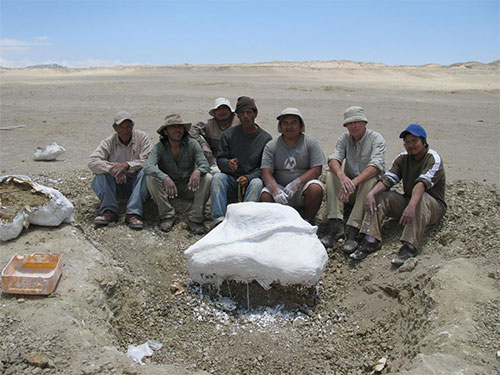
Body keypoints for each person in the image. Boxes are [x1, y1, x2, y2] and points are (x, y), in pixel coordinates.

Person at [352, 124, 446, 266]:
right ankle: (371, 239)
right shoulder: (403, 158)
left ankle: (409, 246)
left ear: (423, 141)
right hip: (409, 201)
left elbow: (421, 184)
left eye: (414, 141)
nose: (410, 145)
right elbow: (389, 179)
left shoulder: (433, 159)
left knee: (421, 198)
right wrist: (371, 194)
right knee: (380, 196)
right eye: (407, 142)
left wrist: (412, 206)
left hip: (431, 207)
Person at [320, 106, 386, 254]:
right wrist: (342, 177)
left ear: (365, 123)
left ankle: (353, 230)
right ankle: (335, 225)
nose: (354, 126)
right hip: (350, 189)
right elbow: (333, 159)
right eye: (350, 123)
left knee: (370, 180)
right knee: (332, 174)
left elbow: (376, 166)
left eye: (357, 122)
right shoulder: (344, 139)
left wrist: (353, 182)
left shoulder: (376, 139)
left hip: (367, 191)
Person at [143, 113, 211, 234]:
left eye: (179, 127)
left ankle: (195, 218)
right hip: (169, 188)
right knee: (150, 178)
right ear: (166, 132)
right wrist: (164, 178)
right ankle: (167, 215)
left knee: (208, 178)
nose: (177, 130)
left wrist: (197, 171)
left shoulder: (192, 144)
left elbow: (204, 164)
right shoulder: (159, 147)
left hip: (189, 186)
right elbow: (148, 166)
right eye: (173, 127)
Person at [210, 96, 272, 227]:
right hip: (232, 178)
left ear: (255, 114)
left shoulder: (265, 138)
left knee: (257, 183)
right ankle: (218, 220)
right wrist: (228, 164)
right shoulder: (229, 134)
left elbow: (265, 167)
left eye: (249, 112)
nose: (246, 116)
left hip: (250, 180)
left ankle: (244, 219)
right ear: (237, 116)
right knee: (217, 178)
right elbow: (220, 159)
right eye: (242, 113)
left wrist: (249, 177)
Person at [260, 107, 325, 224]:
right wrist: (275, 190)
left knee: (315, 189)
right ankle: (277, 224)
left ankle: (308, 221)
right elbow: (266, 172)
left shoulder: (311, 143)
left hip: (302, 188)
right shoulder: (271, 146)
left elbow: (317, 169)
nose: (289, 127)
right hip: (281, 187)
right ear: (280, 126)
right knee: (265, 195)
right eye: (285, 123)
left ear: (300, 125)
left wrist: (297, 183)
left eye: (293, 123)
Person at [88, 111, 151, 230]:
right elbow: (92, 162)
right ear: (115, 128)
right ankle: (109, 211)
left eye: (128, 127)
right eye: (121, 127)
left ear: (132, 126)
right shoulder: (109, 142)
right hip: (115, 183)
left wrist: (126, 165)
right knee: (100, 176)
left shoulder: (142, 137)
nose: (125, 130)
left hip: (134, 182)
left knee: (146, 173)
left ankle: (133, 213)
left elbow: (147, 161)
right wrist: (112, 169)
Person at [189, 97, 239, 172]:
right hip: (214, 157)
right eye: (218, 109)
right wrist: (203, 145)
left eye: (224, 108)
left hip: (234, 157)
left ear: (230, 111)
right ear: (215, 112)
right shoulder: (208, 123)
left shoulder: (239, 122)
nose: (221, 111)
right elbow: (191, 131)